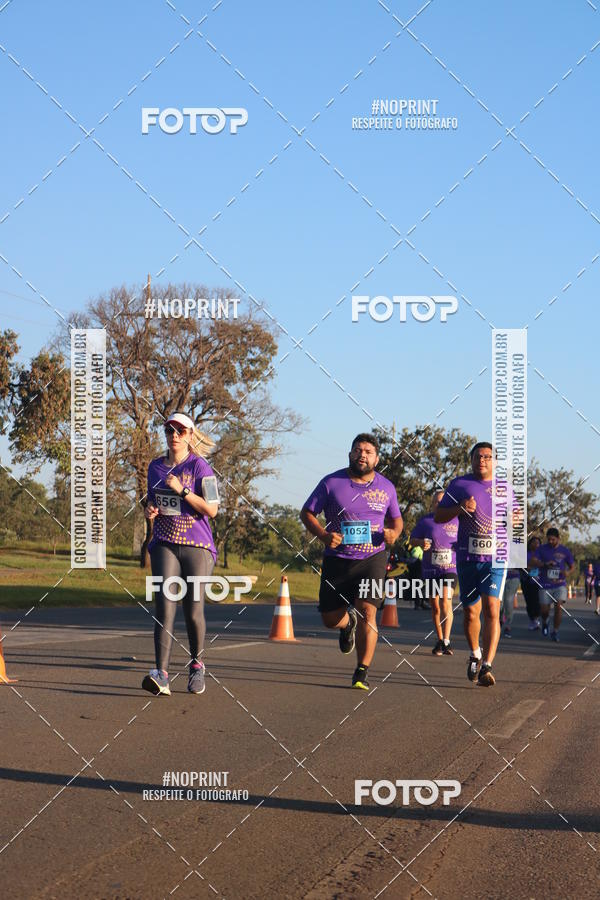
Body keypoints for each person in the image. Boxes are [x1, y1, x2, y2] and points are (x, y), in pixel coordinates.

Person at [300, 433, 403, 691]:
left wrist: (394, 533)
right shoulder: (331, 482)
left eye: (368, 451)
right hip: (338, 559)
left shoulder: (386, 487)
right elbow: (307, 512)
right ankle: (347, 624)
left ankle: (362, 670)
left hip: (373, 557)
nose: (362, 455)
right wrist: (323, 535)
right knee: (329, 618)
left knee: (368, 611)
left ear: (376, 458)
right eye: (358, 450)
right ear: (350, 454)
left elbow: (397, 520)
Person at [142, 413, 219, 696]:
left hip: (197, 545)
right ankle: (161, 673)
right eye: (169, 430)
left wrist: (183, 490)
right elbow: (153, 501)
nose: (174, 435)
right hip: (164, 542)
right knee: (165, 605)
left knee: (193, 609)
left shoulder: (201, 467)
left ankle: (197, 666)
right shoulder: (154, 467)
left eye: (180, 431)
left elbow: (212, 509)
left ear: (189, 435)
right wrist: (151, 510)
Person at [435, 441, 516, 687]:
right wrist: (460, 508)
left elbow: (515, 524)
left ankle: (488, 665)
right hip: (468, 557)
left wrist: (514, 520)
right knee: (471, 611)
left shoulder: (505, 489)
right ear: (471, 460)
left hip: (495, 558)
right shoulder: (459, 485)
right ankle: (475, 654)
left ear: (495, 461)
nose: (482, 460)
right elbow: (439, 516)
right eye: (478, 456)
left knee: (492, 607)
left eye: (488, 457)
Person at [411, 491, 458, 655]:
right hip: (431, 569)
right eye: (436, 502)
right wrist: (420, 542)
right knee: (436, 607)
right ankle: (439, 640)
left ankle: (446, 640)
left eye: (442, 501)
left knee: (446, 601)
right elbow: (412, 540)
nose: (439, 504)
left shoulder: (457, 520)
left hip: (450, 568)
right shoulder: (426, 521)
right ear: (432, 504)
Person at [530, 528, 575, 641]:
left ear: (558, 539)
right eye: (549, 539)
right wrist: (544, 564)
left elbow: (572, 567)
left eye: (553, 539)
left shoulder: (564, 550)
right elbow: (533, 561)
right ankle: (545, 621)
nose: (550, 541)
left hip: (560, 584)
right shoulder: (541, 549)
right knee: (544, 611)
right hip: (545, 584)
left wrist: (567, 572)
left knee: (559, 606)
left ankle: (555, 631)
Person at [520, 536, 541, 630]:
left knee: (537, 601)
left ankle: (536, 619)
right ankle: (532, 619)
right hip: (526, 580)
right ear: (529, 544)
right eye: (534, 542)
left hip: (538, 580)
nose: (536, 544)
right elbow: (520, 565)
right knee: (529, 601)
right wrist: (528, 566)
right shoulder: (525, 554)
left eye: (538, 543)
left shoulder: (541, 554)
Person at [500, 567, 521, 637]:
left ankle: (507, 626)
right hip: (499, 576)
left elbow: (523, 563)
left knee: (508, 601)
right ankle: (499, 622)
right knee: (499, 603)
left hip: (513, 577)